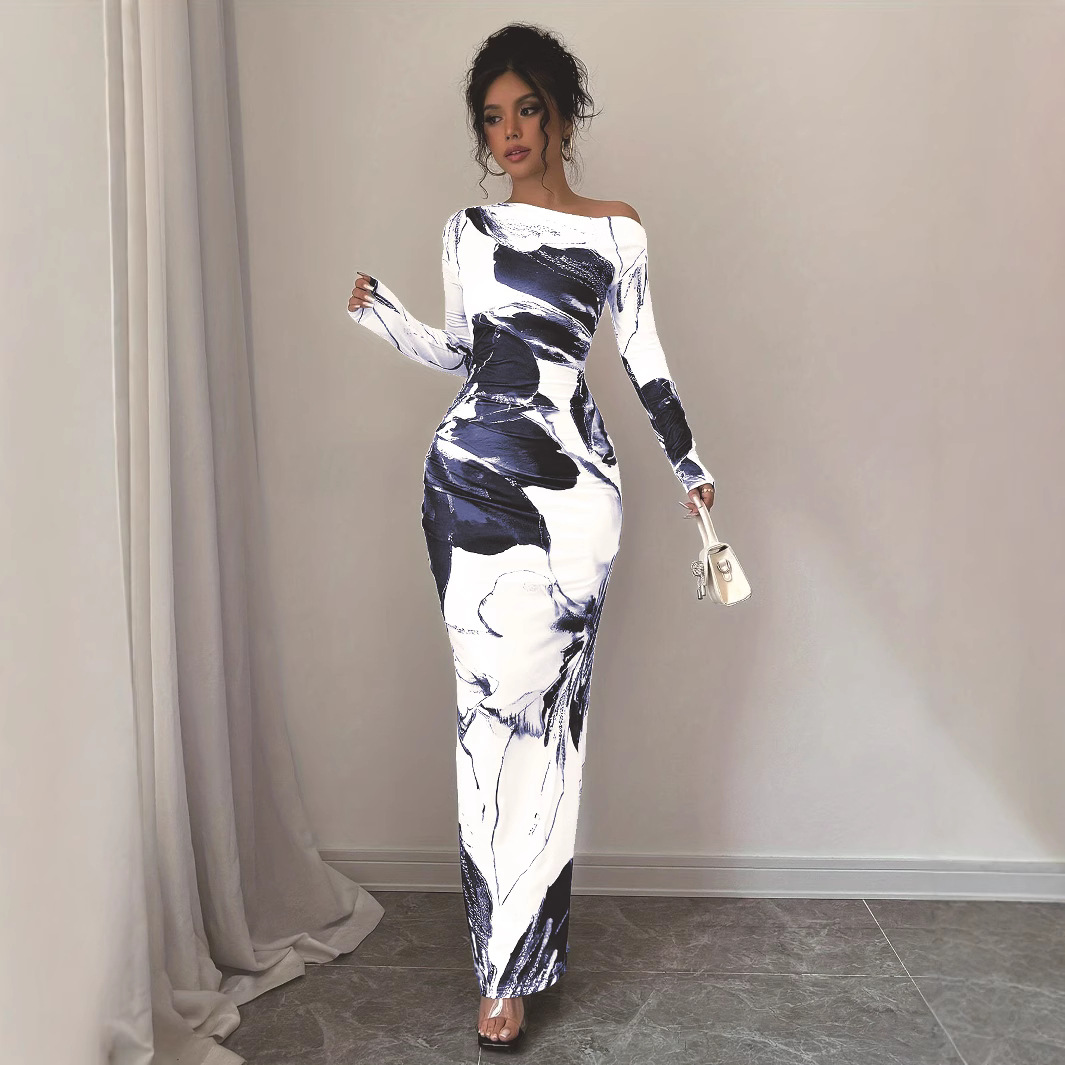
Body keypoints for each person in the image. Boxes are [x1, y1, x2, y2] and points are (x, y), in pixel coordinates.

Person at [346, 22, 716, 1051]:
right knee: (486, 718)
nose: (508, 133)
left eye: (526, 111)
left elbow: (643, 359)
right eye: (491, 119)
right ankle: (497, 970)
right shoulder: (467, 231)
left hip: (574, 499)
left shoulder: (616, 232)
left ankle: (523, 954)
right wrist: (385, 317)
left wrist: (690, 467)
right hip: (470, 485)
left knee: (550, 725)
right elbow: (466, 353)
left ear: (560, 115)